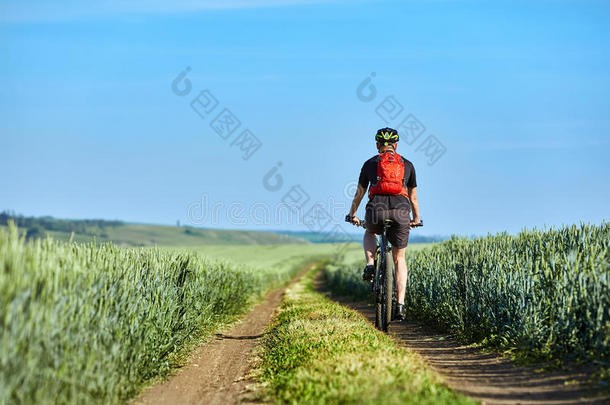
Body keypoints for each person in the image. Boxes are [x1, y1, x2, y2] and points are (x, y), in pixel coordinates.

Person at [346, 127, 421, 321]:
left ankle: (370, 264)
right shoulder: (408, 165)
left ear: (378, 145)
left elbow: (359, 194)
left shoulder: (370, 164)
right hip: (402, 212)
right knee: (400, 258)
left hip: (376, 210)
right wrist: (416, 219)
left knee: (369, 233)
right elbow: (413, 197)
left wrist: (352, 214)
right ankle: (401, 304)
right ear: (395, 145)